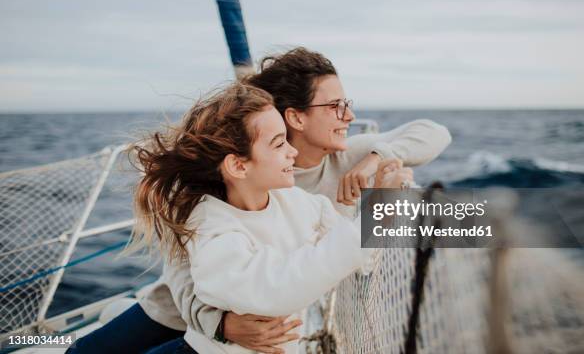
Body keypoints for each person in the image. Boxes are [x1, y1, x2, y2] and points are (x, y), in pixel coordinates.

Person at [67, 47, 451, 354]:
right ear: (295, 119)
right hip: (186, 315)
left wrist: (378, 165)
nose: (348, 115)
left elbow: (433, 134)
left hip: (257, 324)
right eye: (335, 106)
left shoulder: (327, 170)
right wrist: (221, 324)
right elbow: (197, 275)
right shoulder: (215, 200)